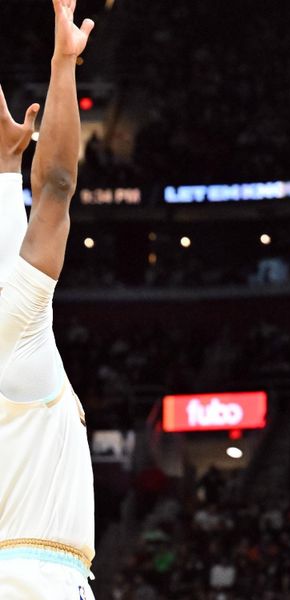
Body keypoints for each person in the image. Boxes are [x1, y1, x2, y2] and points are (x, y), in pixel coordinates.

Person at [0, 1, 96, 598]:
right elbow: (57, 187)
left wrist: (9, 169)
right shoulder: (16, 322)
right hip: (41, 580)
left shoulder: (12, 325)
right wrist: (64, 64)